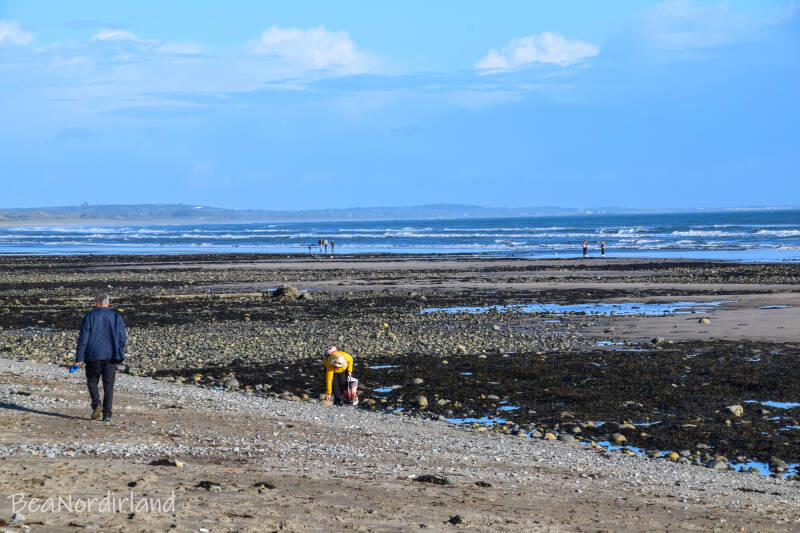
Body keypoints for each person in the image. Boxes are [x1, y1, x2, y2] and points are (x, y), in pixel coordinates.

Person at [74, 293, 126, 422]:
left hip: (93, 355)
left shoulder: (89, 316)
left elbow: (83, 339)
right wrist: (119, 348)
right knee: (108, 386)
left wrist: (78, 358)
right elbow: (122, 338)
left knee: (92, 380)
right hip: (111, 355)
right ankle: (107, 414)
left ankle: (96, 403)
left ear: (96, 303)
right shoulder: (115, 316)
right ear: (107, 304)